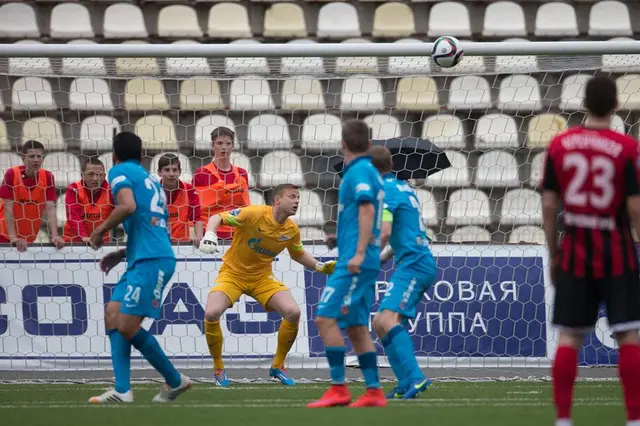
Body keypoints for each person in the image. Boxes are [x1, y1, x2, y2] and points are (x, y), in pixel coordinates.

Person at [541, 75, 640, 426]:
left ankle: (564, 420)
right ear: (616, 105)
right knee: (628, 334)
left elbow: (550, 204)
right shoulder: (628, 148)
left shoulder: (560, 145)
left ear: (584, 104)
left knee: (569, 337)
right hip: (618, 252)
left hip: (575, 251)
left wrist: (554, 252)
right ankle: (634, 419)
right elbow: (634, 207)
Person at [87, 132, 191, 404]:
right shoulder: (150, 182)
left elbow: (127, 206)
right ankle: (122, 389)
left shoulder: (119, 171)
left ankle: (175, 380)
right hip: (144, 256)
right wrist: (123, 253)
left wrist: (99, 231)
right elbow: (151, 225)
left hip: (152, 261)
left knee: (126, 324)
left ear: (114, 156)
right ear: (142, 156)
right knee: (113, 313)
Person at [198, 184, 336, 387]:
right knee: (211, 313)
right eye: (292, 197)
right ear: (277, 200)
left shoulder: (291, 230)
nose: (297, 201)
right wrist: (210, 234)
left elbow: (297, 254)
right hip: (232, 274)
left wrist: (319, 266)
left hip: (262, 278)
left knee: (293, 312)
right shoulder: (253, 213)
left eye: (298, 198)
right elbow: (216, 217)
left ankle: (278, 366)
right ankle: (219, 368)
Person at [308, 119, 386, 408]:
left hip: (356, 261)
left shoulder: (358, 172)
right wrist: (340, 240)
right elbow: (363, 213)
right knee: (356, 326)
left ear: (342, 143)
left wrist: (359, 252)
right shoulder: (371, 171)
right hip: (358, 254)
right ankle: (374, 392)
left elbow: (366, 208)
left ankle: (339, 387)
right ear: (368, 143)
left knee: (325, 317)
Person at [368, 146, 436, 400]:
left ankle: (416, 378)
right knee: (380, 323)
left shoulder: (386, 192)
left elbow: (385, 232)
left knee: (386, 322)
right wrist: (383, 259)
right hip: (414, 261)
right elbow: (400, 235)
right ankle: (406, 381)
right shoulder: (405, 188)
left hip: (415, 264)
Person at [0, 140, 64, 251]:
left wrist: (54, 235)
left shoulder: (48, 177)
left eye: (39, 156)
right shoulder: (12, 174)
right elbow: (8, 208)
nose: (36, 160)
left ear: (43, 158)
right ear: (23, 157)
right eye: (31, 156)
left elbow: (50, 208)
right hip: (4, 234)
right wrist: (13, 237)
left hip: (28, 236)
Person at [193, 127, 250, 241]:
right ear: (212, 145)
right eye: (219, 143)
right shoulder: (202, 173)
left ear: (233, 145)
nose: (224, 148)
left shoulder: (241, 173)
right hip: (210, 233)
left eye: (228, 143)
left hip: (237, 232)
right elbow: (195, 208)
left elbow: (245, 206)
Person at [63, 158, 114, 243]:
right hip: (74, 242)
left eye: (99, 174)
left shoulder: (111, 191)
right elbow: (73, 216)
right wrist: (83, 236)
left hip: (100, 242)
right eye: (91, 174)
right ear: (82, 175)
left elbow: (122, 210)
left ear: (104, 176)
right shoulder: (74, 189)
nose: (95, 178)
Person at [157, 153, 203, 246]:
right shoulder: (153, 191)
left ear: (180, 172)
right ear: (159, 172)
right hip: (158, 244)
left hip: (182, 245)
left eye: (174, 170)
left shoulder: (189, 190)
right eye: (167, 170)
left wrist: (199, 236)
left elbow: (196, 218)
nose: (171, 174)